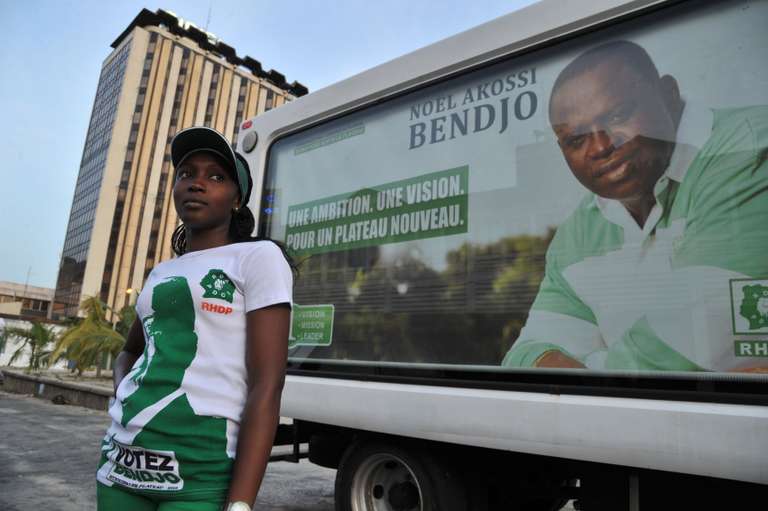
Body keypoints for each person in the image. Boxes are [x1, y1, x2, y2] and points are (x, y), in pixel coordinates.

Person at [503, 40, 768, 372]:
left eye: (617, 115)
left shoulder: (748, 150)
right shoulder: (578, 234)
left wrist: (586, 374)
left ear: (669, 95)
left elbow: (695, 343)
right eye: (575, 140)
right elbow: (526, 357)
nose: (600, 147)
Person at [96, 127, 295, 511]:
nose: (197, 184)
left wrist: (240, 504)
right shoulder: (161, 273)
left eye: (216, 177)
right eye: (187, 174)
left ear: (237, 199)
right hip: (120, 465)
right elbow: (129, 352)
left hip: (201, 474)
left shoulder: (258, 259)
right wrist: (123, 392)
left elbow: (267, 387)